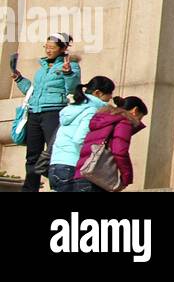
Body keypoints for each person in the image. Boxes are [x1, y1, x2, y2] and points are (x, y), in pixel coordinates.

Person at [12, 33, 81, 191]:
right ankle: (30, 189)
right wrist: (19, 79)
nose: (48, 50)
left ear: (63, 48)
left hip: (53, 112)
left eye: (52, 47)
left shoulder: (71, 65)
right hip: (34, 113)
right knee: (32, 156)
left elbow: (72, 89)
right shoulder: (42, 67)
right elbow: (33, 91)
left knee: (53, 153)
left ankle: (59, 186)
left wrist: (68, 73)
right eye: (46, 47)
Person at [47, 76, 116, 192]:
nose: (110, 98)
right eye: (108, 95)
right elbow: (80, 139)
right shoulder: (91, 111)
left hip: (56, 165)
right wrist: (95, 158)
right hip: (72, 166)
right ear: (97, 93)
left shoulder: (72, 109)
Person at [72, 96, 147, 192]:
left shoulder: (102, 119)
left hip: (82, 174)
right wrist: (126, 177)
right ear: (135, 110)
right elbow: (120, 152)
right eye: (140, 118)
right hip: (97, 177)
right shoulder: (124, 122)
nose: (139, 122)